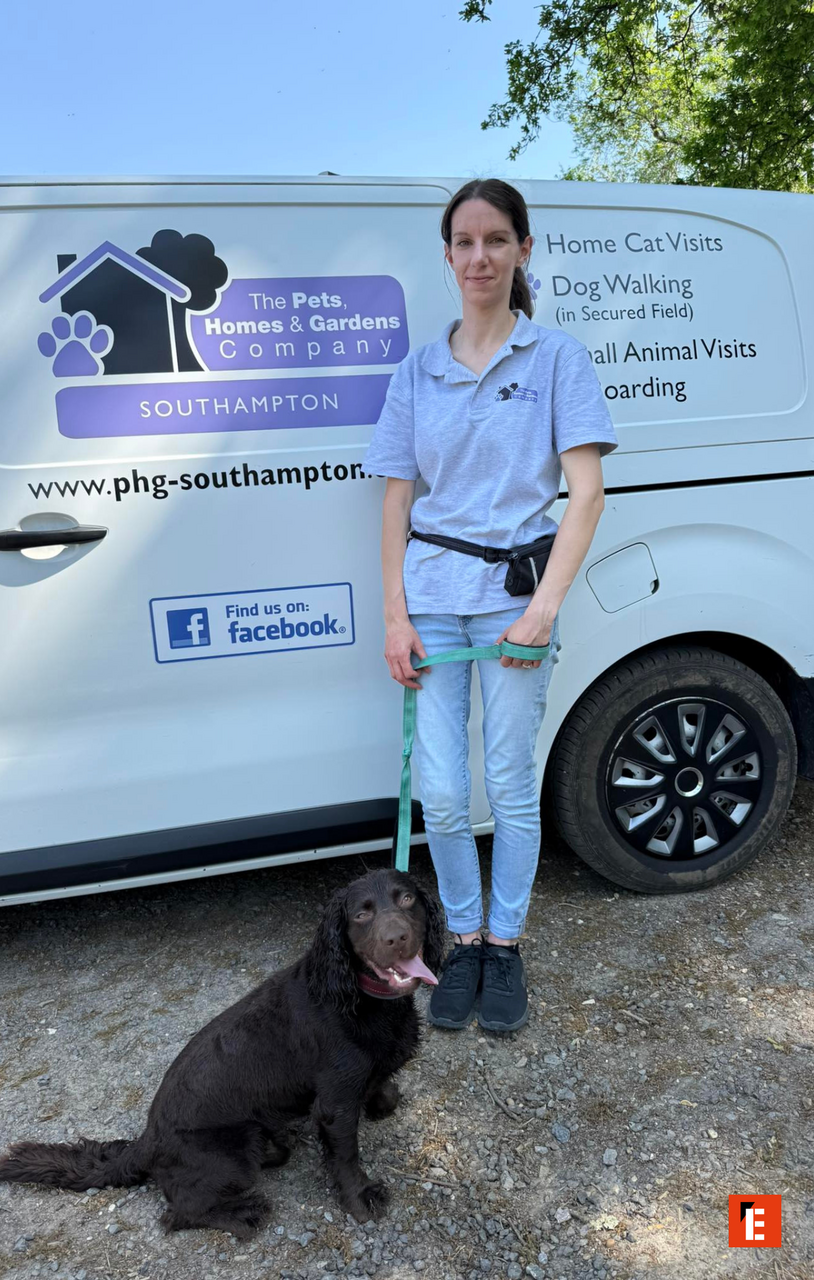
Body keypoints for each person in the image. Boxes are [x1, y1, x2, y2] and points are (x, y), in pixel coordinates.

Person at [363, 179, 618, 1033]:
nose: (479, 257)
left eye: (495, 240)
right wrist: (394, 617)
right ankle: (460, 938)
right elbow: (396, 503)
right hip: (433, 603)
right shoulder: (416, 370)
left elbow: (584, 496)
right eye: (464, 242)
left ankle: (503, 945)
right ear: (446, 257)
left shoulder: (555, 360)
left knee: (508, 782)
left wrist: (543, 611)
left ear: (521, 251)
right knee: (440, 793)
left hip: (515, 608)